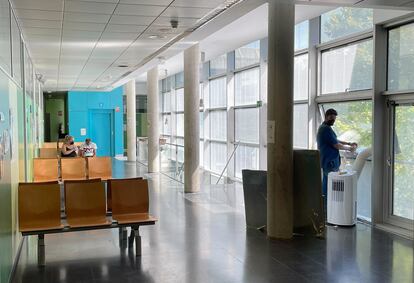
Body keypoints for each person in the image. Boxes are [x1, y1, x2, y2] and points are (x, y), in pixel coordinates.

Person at [317, 109, 357, 202]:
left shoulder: (326, 127)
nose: (333, 121)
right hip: (329, 162)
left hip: (328, 161)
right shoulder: (325, 129)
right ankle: (328, 208)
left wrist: (349, 143)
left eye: (334, 119)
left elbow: (335, 140)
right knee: (330, 185)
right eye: (331, 118)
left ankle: (326, 207)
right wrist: (350, 148)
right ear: (326, 116)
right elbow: (336, 145)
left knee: (327, 183)